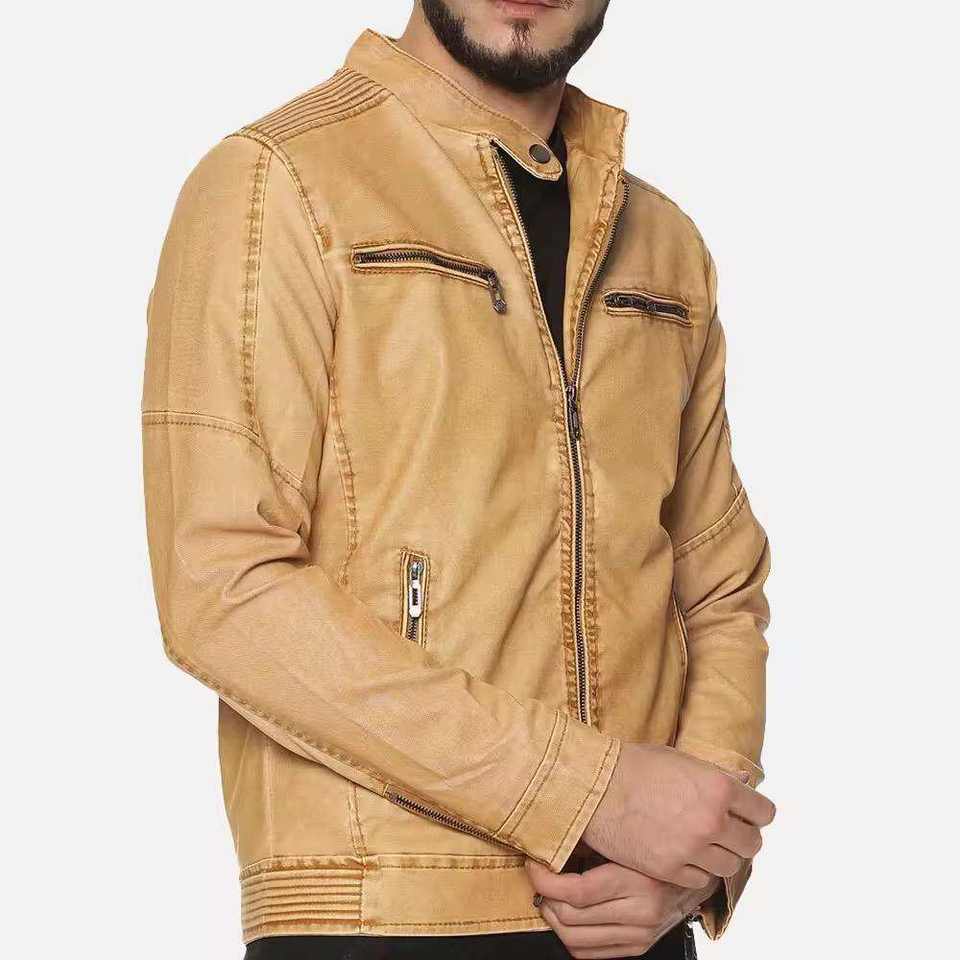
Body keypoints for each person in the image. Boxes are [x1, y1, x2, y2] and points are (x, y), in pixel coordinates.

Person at [141, 2, 776, 958]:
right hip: (380, 913)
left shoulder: (663, 241)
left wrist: (693, 849)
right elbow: (221, 589)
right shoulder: (277, 181)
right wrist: (589, 791)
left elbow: (719, 586)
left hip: (632, 925)